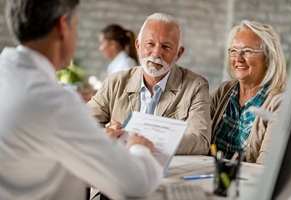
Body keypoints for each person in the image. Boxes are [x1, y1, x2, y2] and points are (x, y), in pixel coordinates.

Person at [0, 0, 163, 199]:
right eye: (76, 26)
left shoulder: (6, 73)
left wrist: (95, 140)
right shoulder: (54, 103)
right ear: (63, 26)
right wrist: (139, 147)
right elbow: (138, 184)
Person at [88, 13, 211, 155]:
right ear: (138, 45)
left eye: (166, 47)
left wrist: (145, 142)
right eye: (150, 44)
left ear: (179, 53)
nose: (157, 53)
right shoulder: (114, 82)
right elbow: (82, 123)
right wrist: (106, 133)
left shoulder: (196, 87)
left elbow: (200, 141)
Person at [210, 20, 287, 164]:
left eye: (247, 51)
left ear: (268, 59)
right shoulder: (223, 91)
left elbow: (264, 168)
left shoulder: (279, 104)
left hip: (247, 184)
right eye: (234, 51)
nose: (238, 59)